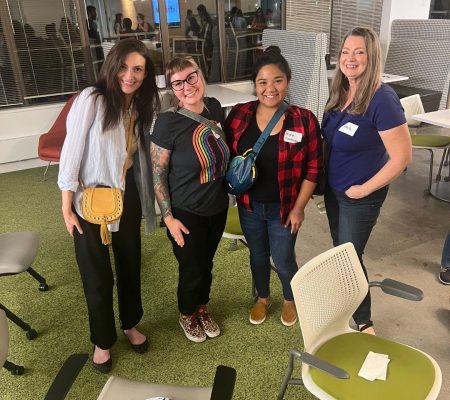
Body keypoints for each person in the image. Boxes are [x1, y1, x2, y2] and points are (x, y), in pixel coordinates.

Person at [58, 38, 160, 372]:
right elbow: (70, 153)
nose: (129, 75)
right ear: (112, 65)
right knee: (96, 275)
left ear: (145, 75)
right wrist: (66, 206)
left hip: (125, 196)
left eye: (138, 70)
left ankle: (130, 324)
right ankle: (102, 340)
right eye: (124, 67)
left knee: (130, 264)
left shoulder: (139, 107)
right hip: (88, 200)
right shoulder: (93, 99)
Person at [322, 27, 412, 335]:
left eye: (359, 52)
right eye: (345, 52)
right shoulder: (341, 92)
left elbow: (401, 158)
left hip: (360, 196)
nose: (350, 58)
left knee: (349, 257)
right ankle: (347, 303)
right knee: (341, 251)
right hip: (336, 192)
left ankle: (364, 322)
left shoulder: (382, 100)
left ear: (372, 57)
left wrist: (364, 188)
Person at [224, 46, 322, 327]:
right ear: (255, 85)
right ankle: (263, 298)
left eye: (277, 80)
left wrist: (299, 208)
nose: (270, 88)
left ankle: (290, 298)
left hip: (285, 207)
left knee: (282, 256)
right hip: (249, 205)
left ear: (287, 81)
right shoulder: (240, 115)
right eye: (262, 82)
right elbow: (226, 154)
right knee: (257, 254)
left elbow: (314, 168)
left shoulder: (303, 119)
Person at [150, 56, 229, 343]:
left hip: (217, 206)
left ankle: (202, 307)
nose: (187, 87)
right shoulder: (166, 123)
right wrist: (168, 218)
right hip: (184, 211)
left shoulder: (215, 108)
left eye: (191, 77)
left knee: (206, 263)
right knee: (190, 267)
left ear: (200, 75)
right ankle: (186, 313)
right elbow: (157, 173)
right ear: (172, 88)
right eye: (178, 83)